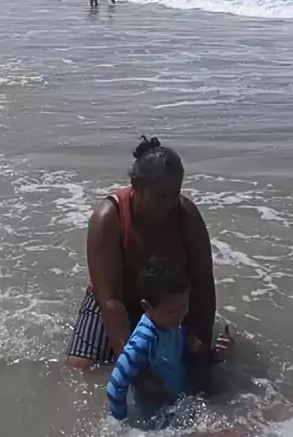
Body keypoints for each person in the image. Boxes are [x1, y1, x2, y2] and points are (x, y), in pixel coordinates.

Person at [67, 136, 216, 401]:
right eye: (160, 197)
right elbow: (110, 300)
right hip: (117, 298)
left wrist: (202, 343)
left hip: (165, 298)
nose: (169, 204)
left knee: (200, 377)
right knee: (80, 370)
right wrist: (132, 369)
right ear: (136, 187)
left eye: (175, 195)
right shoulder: (109, 218)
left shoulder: (186, 217)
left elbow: (203, 283)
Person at [107, 259, 233, 422]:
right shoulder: (142, 342)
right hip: (156, 417)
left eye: (183, 307)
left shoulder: (175, 328)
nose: (179, 315)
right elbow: (115, 384)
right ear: (146, 307)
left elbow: (184, 362)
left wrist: (218, 354)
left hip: (178, 406)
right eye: (172, 311)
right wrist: (120, 422)